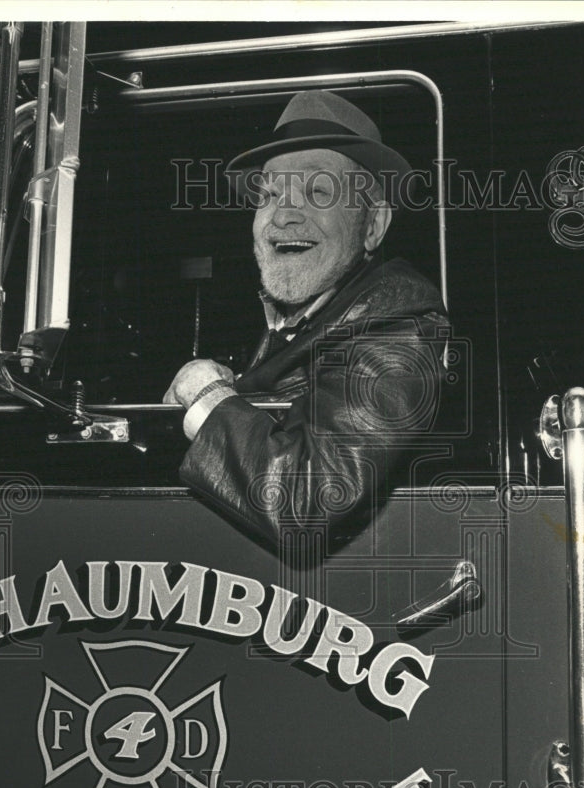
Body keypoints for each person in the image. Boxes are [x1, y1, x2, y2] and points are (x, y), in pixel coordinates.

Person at [164, 90, 450, 550]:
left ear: (373, 225)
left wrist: (206, 396)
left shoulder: (397, 332)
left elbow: (304, 499)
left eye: (318, 191)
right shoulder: (293, 322)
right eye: (271, 194)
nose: (284, 215)